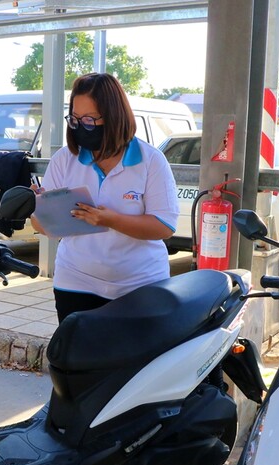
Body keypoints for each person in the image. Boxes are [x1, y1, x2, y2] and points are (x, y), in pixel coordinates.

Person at [30, 73, 180, 323]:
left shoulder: (151, 160)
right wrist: (42, 210)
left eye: (89, 119)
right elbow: (40, 227)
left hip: (140, 284)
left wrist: (110, 220)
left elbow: (164, 227)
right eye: (75, 119)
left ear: (114, 117)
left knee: (135, 360)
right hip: (75, 281)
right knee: (78, 359)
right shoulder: (64, 159)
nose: (81, 126)